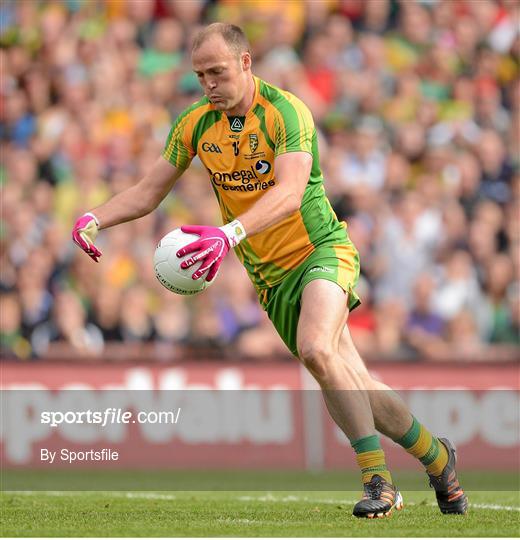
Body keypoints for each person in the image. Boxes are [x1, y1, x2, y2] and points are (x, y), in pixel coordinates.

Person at [72, 23, 467, 518]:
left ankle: (378, 483)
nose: (209, 84)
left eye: (217, 72)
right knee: (352, 379)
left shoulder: (286, 112)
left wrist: (229, 233)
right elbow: (149, 192)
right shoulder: (195, 124)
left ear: (245, 62)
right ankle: (438, 458)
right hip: (271, 279)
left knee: (316, 349)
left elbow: (289, 193)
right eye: (200, 76)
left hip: (321, 249)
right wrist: (94, 218)